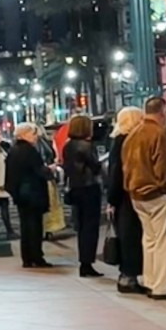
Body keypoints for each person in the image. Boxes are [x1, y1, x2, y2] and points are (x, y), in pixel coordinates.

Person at [123, 96, 166, 299]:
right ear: (162, 111)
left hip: (137, 193)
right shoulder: (160, 134)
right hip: (159, 193)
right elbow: (165, 166)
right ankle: (163, 287)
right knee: (165, 242)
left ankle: (150, 281)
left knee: (149, 239)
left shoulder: (133, 134)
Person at [106, 105, 147, 293]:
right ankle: (128, 277)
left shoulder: (118, 141)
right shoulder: (127, 141)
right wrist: (112, 200)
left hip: (123, 194)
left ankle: (128, 276)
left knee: (128, 236)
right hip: (127, 194)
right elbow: (116, 173)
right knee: (131, 236)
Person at [60, 113, 105, 278]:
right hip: (89, 187)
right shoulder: (87, 146)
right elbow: (95, 166)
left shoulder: (68, 146)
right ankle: (87, 263)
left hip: (75, 187)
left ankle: (84, 262)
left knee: (81, 226)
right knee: (90, 227)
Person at [4, 124, 54, 267]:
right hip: (33, 193)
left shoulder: (13, 151)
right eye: (33, 133)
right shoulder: (29, 151)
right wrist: (50, 170)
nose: (36, 136)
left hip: (21, 195)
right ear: (24, 134)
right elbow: (38, 170)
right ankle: (36, 256)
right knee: (35, 227)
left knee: (25, 226)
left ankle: (27, 257)